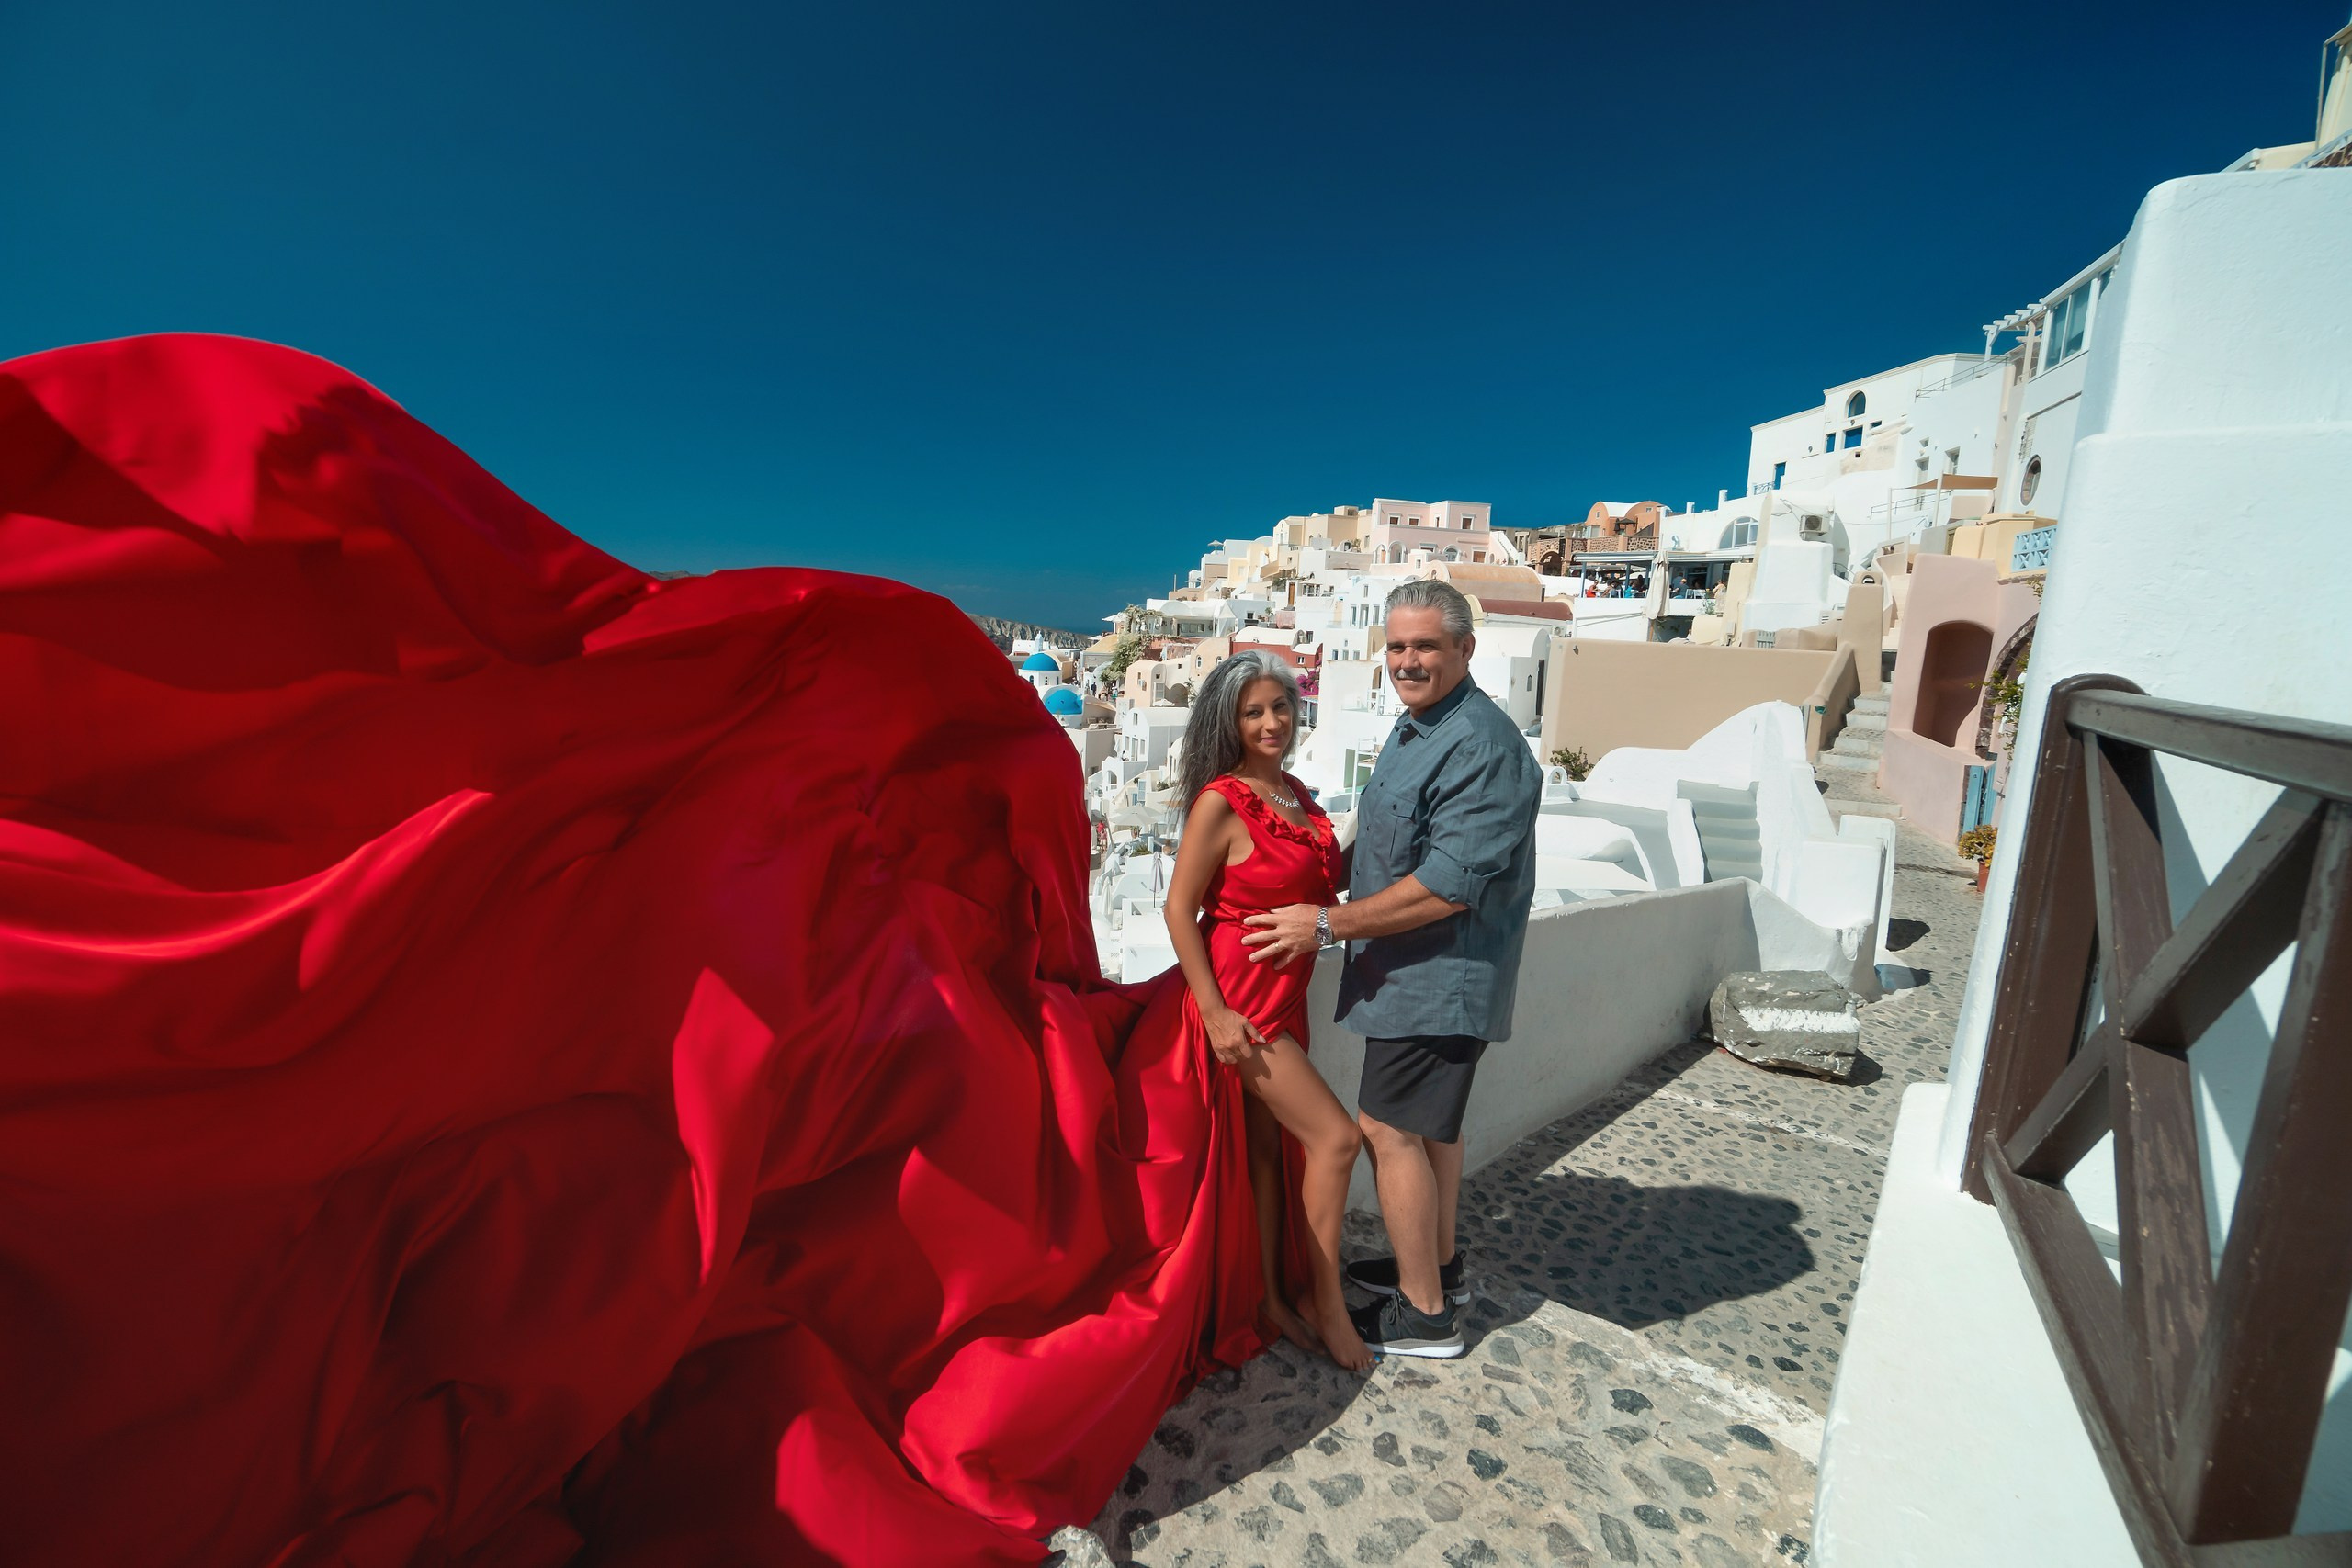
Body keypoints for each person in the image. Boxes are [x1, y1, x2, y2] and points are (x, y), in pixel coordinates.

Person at [1244, 579, 1540, 1359]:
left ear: (1465, 650)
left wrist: (1324, 923)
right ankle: (1437, 1266)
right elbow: (1377, 844)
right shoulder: (1419, 730)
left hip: (1439, 978)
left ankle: (1426, 1313)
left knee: (1390, 1128)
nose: (1407, 660)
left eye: (1426, 647)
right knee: (1434, 1132)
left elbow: (1448, 883)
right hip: (1411, 975)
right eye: (1398, 646)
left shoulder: (1479, 744)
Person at [1159, 653, 1371, 1371]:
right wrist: (1214, 1012)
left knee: (1264, 1154)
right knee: (1337, 1140)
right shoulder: (1222, 799)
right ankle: (1326, 1301)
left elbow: (1325, 876)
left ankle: (1274, 1296)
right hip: (1245, 1008)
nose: (1272, 721)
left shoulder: (1297, 796)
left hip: (1286, 996)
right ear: (1231, 721)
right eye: (1254, 711)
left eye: (1281, 705)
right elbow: (1179, 910)